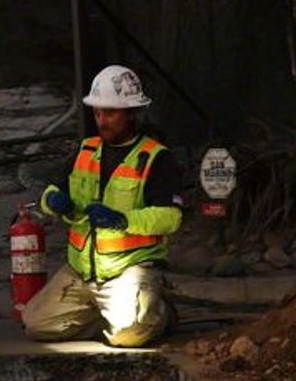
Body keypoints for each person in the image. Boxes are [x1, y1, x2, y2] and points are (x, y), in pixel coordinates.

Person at [22, 65, 183, 347]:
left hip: (129, 269)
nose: (102, 120)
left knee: (129, 336)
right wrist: (53, 202)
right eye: (97, 112)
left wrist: (123, 220)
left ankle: (162, 313)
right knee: (35, 325)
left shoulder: (156, 157)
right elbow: (51, 192)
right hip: (81, 272)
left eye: (110, 113)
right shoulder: (86, 150)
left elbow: (171, 217)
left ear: (131, 113)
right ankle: (109, 315)